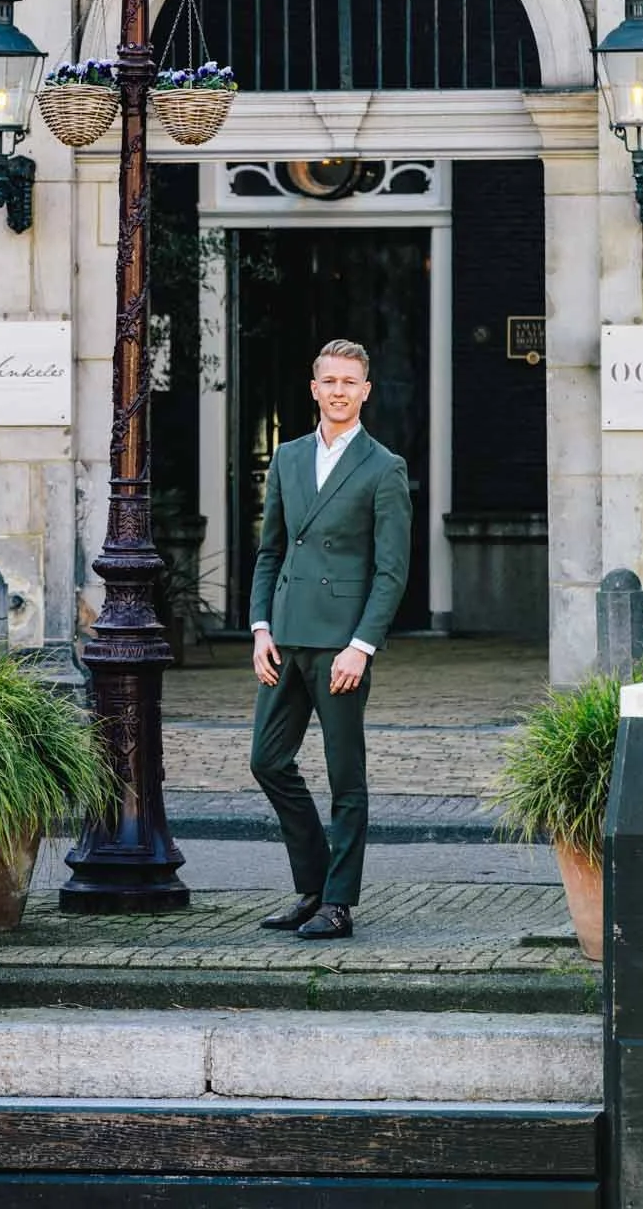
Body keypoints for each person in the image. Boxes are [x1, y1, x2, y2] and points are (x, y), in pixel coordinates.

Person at [248, 337, 412, 940]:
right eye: (330, 381)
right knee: (267, 760)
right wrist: (260, 627)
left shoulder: (383, 468)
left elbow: (391, 571)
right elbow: (269, 552)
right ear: (313, 388)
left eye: (351, 382)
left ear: (365, 391)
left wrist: (362, 646)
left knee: (346, 777)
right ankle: (314, 883)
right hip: (286, 637)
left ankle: (337, 904)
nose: (339, 391)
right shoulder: (288, 459)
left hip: (341, 646)